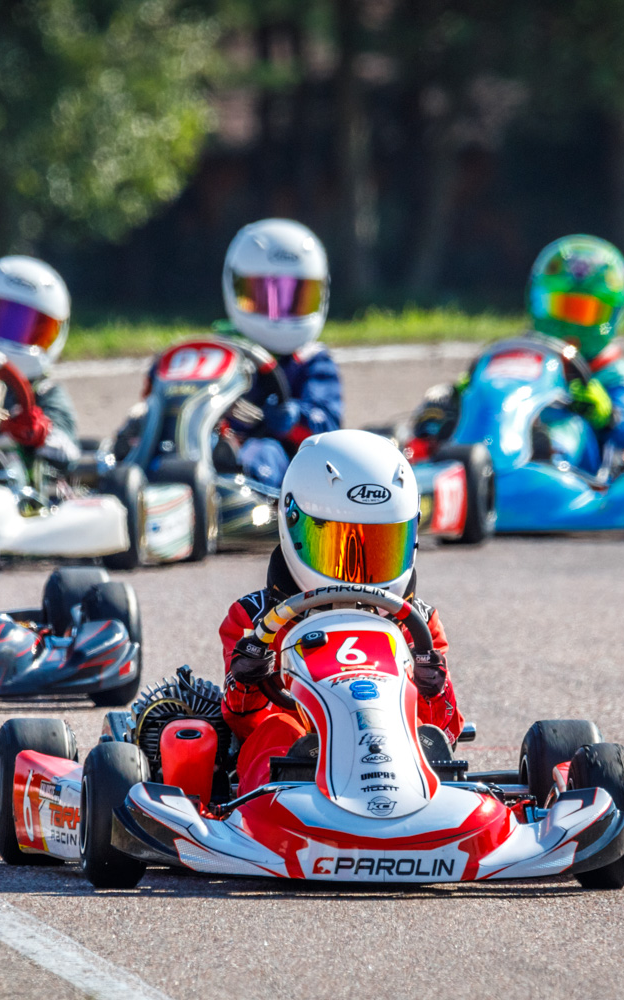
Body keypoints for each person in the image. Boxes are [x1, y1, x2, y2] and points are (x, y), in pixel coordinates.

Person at [216, 429, 462, 795]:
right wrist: (247, 682)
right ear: (293, 524)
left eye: (380, 549)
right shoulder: (254, 619)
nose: (357, 574)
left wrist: (433, 689)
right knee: (276, 730)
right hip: (300, 760)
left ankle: (433, 803)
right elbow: (245, 723)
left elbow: (445, 730)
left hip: (391, 752)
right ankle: (273, 807)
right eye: (336, 548)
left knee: (424, 736)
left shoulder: (418, 624)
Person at [406, 235, 624, 476]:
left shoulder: (615, 374)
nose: (568, 323)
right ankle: (449, 459)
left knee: (569, 428)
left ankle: (543, 456)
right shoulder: (520, 355)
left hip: (578, 468)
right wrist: (460, 395)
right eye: (560, 307)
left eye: (582, 312)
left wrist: (607, 415)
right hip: (505, 439)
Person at [216, 219, 343, 488]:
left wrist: (295, 417)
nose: (279, 312)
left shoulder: (312, 361)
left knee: (264, 452)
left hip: (280, 461)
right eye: (264, 296)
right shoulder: (219, 352)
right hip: (215, 443)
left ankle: (241, 485)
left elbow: (329, 428)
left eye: (295, 297)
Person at [0, 255, 81, 468]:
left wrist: (37, 432)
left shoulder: (44, 392)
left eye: (22, 327)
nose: (5, 336)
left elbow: (66, 449)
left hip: (6, 477)